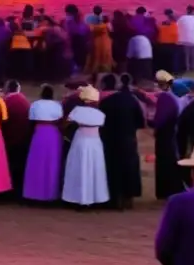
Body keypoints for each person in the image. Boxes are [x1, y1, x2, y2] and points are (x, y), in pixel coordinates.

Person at [99, 74, 144, 210]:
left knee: (112, 168)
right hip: (128, 139)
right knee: (129, 168)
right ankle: (128, 198)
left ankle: (113, 199)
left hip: (110, 139)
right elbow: (141, 122)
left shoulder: (106, 101)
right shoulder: (132, 100)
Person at [61, 86, 109, 207]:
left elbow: (66, 124)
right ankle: (93, 198)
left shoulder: (77, 111)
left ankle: (77, 197)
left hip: (80, 141)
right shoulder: (100, 114)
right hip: (95, 143)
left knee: (79, 168)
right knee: (94, 169)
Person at [22, 84, 65, 203]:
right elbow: (60, 120)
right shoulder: (57, 105)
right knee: (52, 164)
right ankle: (51, 195)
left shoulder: (36, 104)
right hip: (53, 134)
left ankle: (33, 194)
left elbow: (30, 122)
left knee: (36, 163)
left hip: (39, 133)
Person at [150, 71, 184, 200]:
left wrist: (151, 123)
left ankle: (166, 190)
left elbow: (160, 119)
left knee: (165, 162)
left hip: (165, 134)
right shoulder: (174, 97)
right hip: (172, 133)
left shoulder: (164, 97)